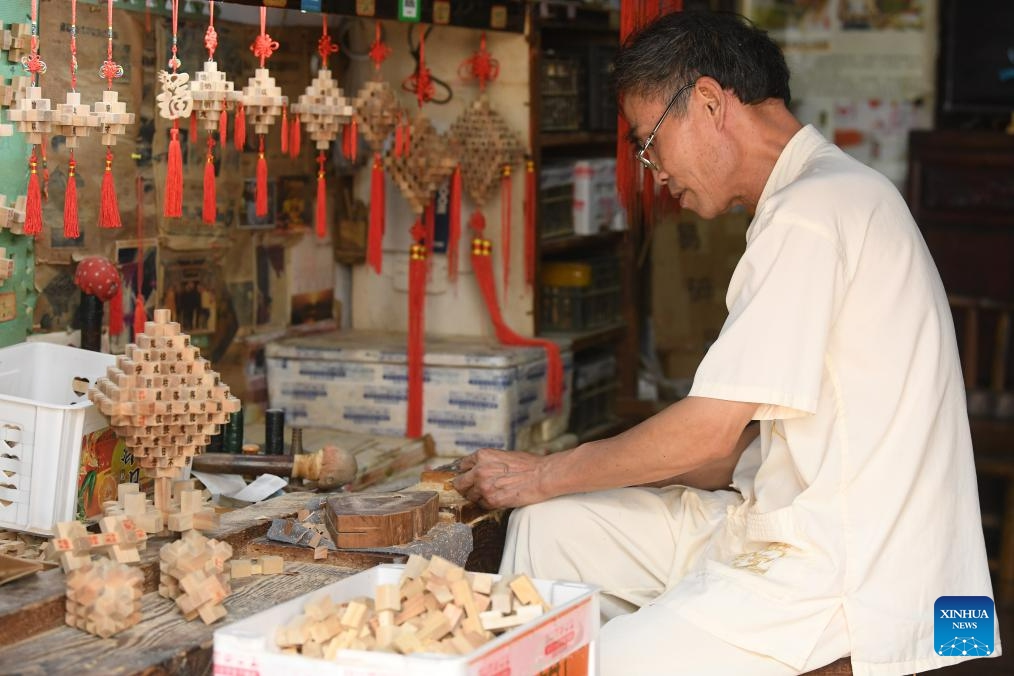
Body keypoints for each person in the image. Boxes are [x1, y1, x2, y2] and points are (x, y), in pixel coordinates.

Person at [452, 11, 998, 675]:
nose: (653, 172)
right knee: (552, 527)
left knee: (588, 663)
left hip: (837, 570)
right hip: (771, 519)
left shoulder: (814, 213)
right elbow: (728, 451)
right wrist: (558, 483)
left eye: (649, 144)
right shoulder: (826, 195)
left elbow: (707, 436)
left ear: (709, 102)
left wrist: (541, 472)